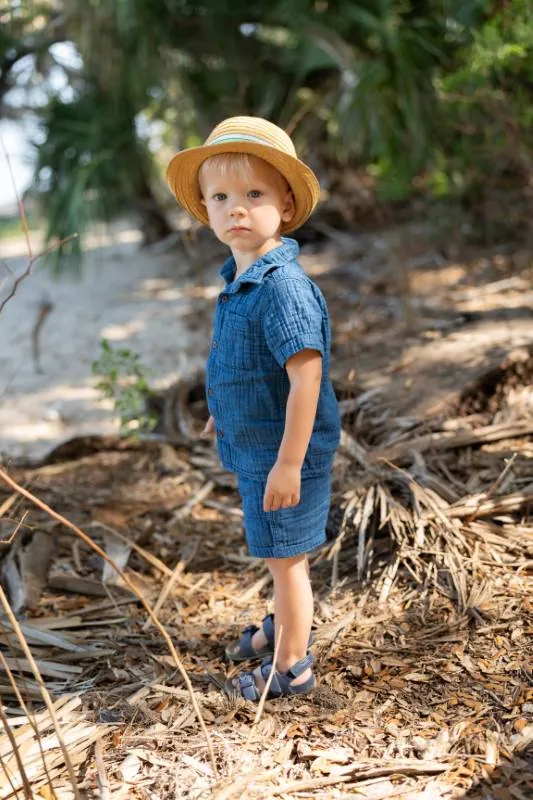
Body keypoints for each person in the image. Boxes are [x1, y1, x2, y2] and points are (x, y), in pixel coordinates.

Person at [166, 116, 340, 700]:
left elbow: (305, 379)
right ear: (205, 208)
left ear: (285, 206)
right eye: (220, 197)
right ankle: (281, 623)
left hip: (285, 453)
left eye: (254, 194)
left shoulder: (283, 287)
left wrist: (288, 464)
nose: (235, 208)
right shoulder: (240, 277)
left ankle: (292, 666)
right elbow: (248, 366)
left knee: (287, 559)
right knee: (275, 553)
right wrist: (226, 407)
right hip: (258, 442)